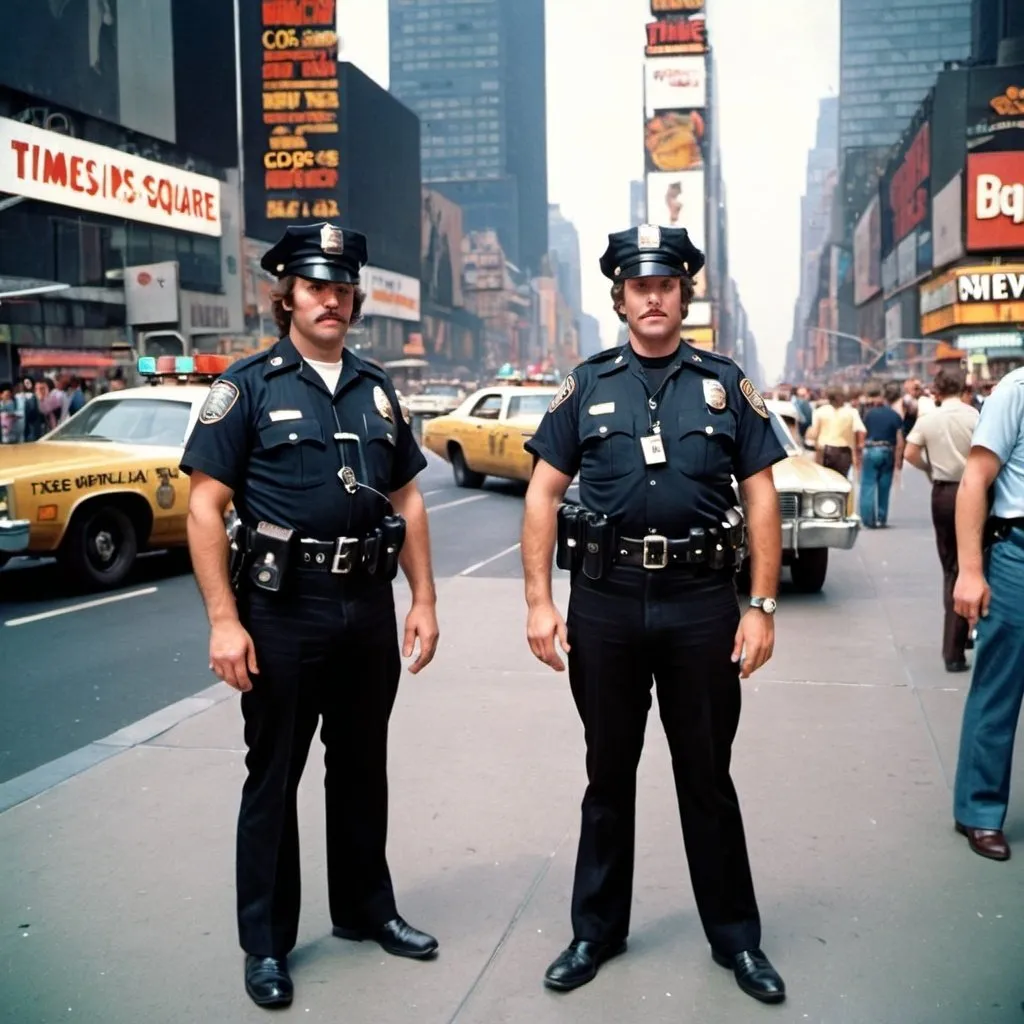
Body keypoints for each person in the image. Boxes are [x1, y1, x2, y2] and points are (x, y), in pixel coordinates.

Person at [521, 223, 787, 1005]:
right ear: (621, 298)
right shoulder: (586, 383)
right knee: (607, 774)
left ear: (683, 295)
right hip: (603, 604)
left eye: (666, 285)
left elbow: (761, 494)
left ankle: (737, 940)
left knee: (707, 775)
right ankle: (595, 931)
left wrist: (762, 605)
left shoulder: (725, 384)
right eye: (640, 287)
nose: (654, 298)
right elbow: (542, 492)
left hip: (701, 605)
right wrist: (539, 600)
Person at [179, 222, 441, 1008]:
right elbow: (204, 506)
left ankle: (367, 909)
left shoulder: (376, 387)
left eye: (342, 287)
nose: (331, 299)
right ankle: (267, 944)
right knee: (275, 776)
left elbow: (406, 497)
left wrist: (423, 597)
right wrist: (225, 621)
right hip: (281, 611)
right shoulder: (249, 385)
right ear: (285, 294)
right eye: (315, 285)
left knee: (362, 769)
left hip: (366, 607)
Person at [951, 367, 1024, 862]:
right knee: (999, 686)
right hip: (1017, 553)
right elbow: (975, 479)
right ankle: (978, 810)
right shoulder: (1015, 392)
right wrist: (971, 572)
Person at [904, 368, 979, 672]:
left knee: (952, 569)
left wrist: (931, 469)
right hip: (974, 492)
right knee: (976, 564)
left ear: (937, 390)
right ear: (963, 387)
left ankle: (955, 645)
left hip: (943, 493)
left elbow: (910, 453)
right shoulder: (975, 416)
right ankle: (965, 635)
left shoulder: (928, 419)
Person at [859, 383, 904, 528]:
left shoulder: (869, 414)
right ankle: (881, 517)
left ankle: (868, 519)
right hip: (887, 450)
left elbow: (863, 433)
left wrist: (859, 455)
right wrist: (898, 460)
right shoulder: (895, 416)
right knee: (884, 486)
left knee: (868, 485)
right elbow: (900, 440)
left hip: (871, 449)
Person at [805, 386, 865, 478]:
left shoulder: (819, 412)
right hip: (844, 451)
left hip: (824, 450)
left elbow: (813, 434)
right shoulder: (852, 412)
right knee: (842, 480)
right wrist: (858, 450)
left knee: (825, 480)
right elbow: (861, 431)